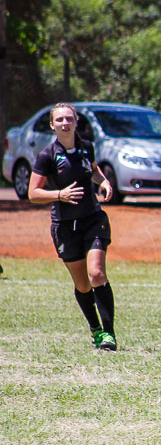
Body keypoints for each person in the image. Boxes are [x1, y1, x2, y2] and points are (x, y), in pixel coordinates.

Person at [27, 103, 118, 350]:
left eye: (69, 118)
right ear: (52, 125)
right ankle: (96, 330)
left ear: (76, 121)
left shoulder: (87, 147)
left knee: (97, 273)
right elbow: (33, 194)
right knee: (82, 284)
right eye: (60, 120)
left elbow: (93, 170)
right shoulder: (46, 155)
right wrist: (59, 194)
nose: (65, 123)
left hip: (93, 219)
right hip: (65, 226)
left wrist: (104, 182)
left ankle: (109, 334)